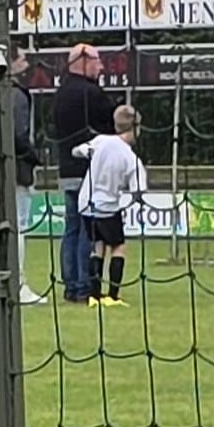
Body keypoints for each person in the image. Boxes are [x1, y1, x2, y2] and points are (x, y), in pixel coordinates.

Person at [51, 44, 122, 303]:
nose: (101, 66)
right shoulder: (91, 93)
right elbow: (112, 124)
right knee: (87, 230)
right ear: (82, 61)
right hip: (90, 171)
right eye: (97, 61)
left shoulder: (60, 93)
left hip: (67, 169)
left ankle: (70, 285)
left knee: (71, 229)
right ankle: (83, 287)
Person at [71, 106, 149, 304]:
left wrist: (90, 155)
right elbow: (139, 189)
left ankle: (94, 296)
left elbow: (77, 151)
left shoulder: (100, 141)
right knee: (118, 247)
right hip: (108, 206)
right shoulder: (130, 157)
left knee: (97, 246)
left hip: (86, 204)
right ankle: (113, 295)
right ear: (135, 127)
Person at [6, 51, 47, 305]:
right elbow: (19, 135)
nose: (27, 64)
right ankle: (18, 284)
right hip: (17, 170)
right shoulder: (17, 94)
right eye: (21, 59)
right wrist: (35, 156)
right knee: (19, 227)